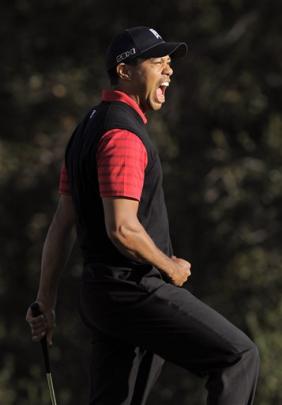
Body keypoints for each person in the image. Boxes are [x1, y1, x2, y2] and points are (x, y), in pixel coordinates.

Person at [26, 26, 260, 405]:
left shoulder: (85, 129)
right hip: (133, 290)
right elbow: (122, 228)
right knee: (238, 357)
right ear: (125, 71)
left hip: (102, 296)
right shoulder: (123, 136)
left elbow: (61, 223)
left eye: (169, 64)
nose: (168, 71)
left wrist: (45, 303)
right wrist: (169, 266)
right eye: (157, 62)